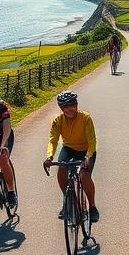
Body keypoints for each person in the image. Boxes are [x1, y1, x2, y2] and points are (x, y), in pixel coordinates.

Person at [44, 90, 99, 223]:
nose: (70, 109)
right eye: (65, 107)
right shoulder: (58, 120)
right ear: (61, 108)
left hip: (86, 150)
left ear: (76, 104)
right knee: (61, 171)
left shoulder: (85, 118)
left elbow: (92, 141)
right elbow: (53, 139)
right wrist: (49, 156)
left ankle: (92, 207)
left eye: (72, 105)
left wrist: (87, 157)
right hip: (68, 149)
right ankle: (69, 200)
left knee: (84, 176)